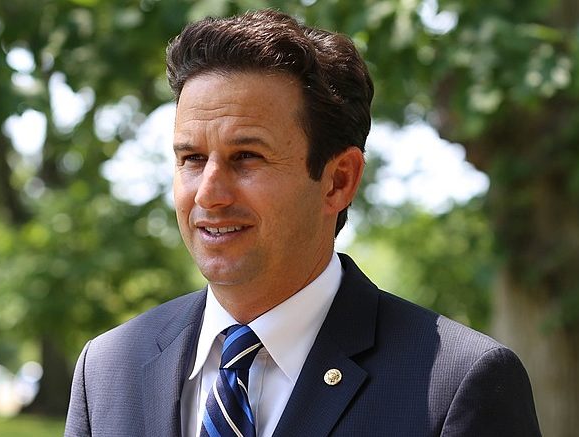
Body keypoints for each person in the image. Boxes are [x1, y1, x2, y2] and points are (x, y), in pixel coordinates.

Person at [64, 9, 541, 437]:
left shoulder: (457, 385)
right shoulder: (106, 371)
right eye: (192, 158)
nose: (208, 193)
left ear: (338, 180)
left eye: (246, 157)